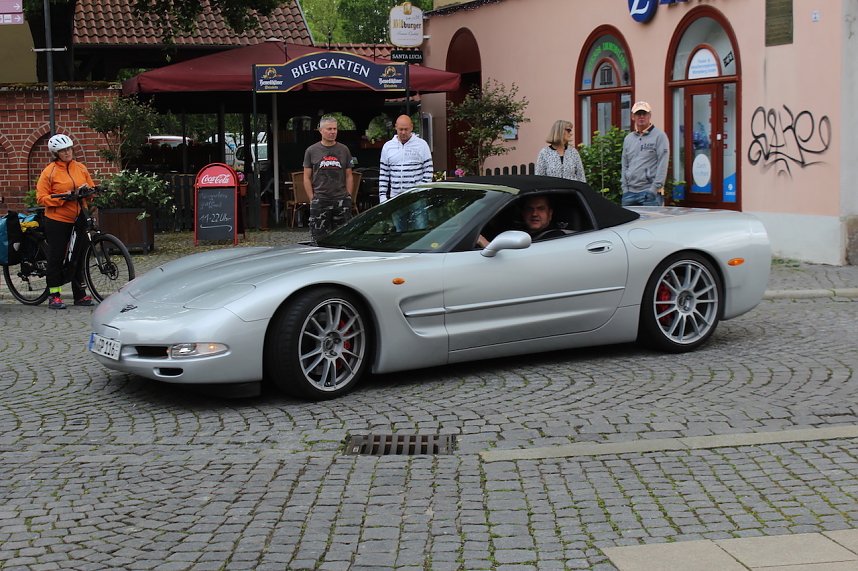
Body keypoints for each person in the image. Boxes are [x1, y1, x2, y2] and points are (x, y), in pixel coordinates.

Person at [35, 133, 96, 309]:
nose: (67, 153)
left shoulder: (81, 168)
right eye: (63, 151)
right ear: (56, 154)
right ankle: (54, 295)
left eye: (69, 149)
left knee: (79, 254)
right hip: (57, 219)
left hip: (79, 217)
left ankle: (80, 295)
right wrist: (62, 199)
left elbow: (90, 189)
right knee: (57, 255)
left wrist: (91, 192)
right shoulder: (49, 172)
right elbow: (41, 198)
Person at [303, 116, 354, 243]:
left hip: (341, 200)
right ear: (321, 130)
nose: (333, 132)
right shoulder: (311, 151)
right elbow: (306, 177)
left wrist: (348, 196)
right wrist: (312, 198)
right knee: (319, 240)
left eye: (335, 129)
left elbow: (349, 175)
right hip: (320, 200)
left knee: (344, 238)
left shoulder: (344, 150)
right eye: (329, 129)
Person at [621, 101, 669, 206]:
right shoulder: (628, 139)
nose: (641, 116)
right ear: (633, 116)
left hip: (650, 194)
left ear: (649, 115)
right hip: (629, 194)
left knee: (650, 223)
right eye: (638, 114)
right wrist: (625, 189)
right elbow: (624, 164)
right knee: (630, 223)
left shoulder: (659, 136)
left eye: (644, 113)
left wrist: (654, 189)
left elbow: (663, 163)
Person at [378, 114, 434, 202]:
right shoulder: (387, 147)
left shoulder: (422, 145)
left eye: (406, 129)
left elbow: (428, 171)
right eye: (401, 129)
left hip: (417, 198)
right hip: (395, 198)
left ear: (411, 127)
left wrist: (420, 190)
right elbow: (384, 174)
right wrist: (382, 196)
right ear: (395, 127)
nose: (403, 132)